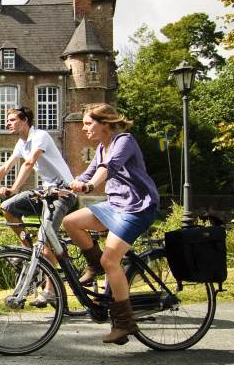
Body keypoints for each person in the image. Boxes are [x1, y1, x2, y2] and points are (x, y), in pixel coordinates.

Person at [62, 103, 159, 345]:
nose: (84, 129)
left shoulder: (123, 141)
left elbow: (108, 168)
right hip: (114, 205)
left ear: (105, 124)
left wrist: (90, 186)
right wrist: (66, 187)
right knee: (70, 222)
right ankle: (95, 265)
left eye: (88, 123)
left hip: (137, 207)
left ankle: (125, 322)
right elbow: (89, 172)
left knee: (111, 260)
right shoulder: (101, 147)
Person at [0, 106, 76, 308]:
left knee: (47, 240)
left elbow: (28, 164)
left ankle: (49, 291)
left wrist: (13, 188)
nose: (7, 123)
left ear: (25, 120)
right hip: (45, 192)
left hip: (63, 193)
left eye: (11, 119)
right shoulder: (21, 143)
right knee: (8, 208)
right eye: (7, 120)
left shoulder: (40, 136)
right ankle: (29, 252)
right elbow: (5, 167)